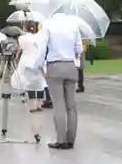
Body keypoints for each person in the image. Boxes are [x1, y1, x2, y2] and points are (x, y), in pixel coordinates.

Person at [35, 13, 83, 150]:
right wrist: (76, 62)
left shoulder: (48, 25)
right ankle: (71, 139)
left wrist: (39, 65)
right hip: (70, 65)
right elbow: (79, 49)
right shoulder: (74, 26)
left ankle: (61, 140)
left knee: (59, 104)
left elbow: (42, 47)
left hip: (54, 66)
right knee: (71, 105)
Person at [15, 22, 46, 112]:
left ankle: (32, 106)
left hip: (25, 60)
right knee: (40, 82)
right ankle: (39, 104)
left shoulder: (21, 38)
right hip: (36, 60)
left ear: (24, 28)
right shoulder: (37, 37)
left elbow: (21, 47)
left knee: (30, 83)